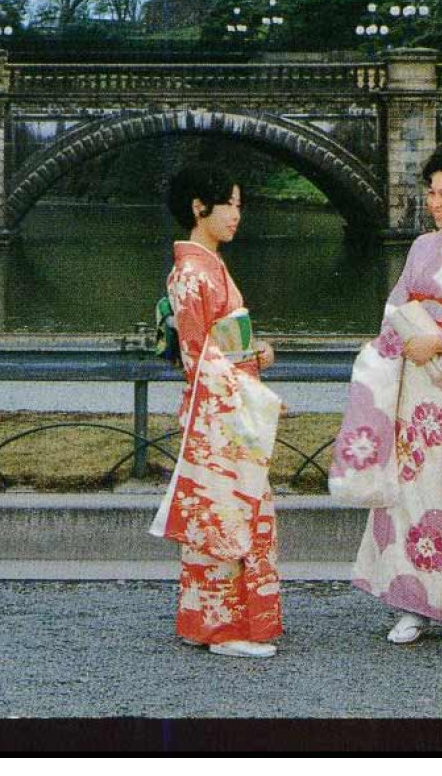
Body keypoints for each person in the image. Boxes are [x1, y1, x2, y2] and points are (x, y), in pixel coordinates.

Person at [329, 144, 442, 646]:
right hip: (415, 392)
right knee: (411, 495)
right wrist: (403, 343)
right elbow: (396, 308)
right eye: (431, 192)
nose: (435, 203)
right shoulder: (421, 249)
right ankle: (410, 601)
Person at [149, 163, 284, 658]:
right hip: (220, 411)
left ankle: (207, 622)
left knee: (225, 518)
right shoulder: (192, 272)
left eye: (239, 205)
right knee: (228, 519)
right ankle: (226, 630)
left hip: (224, 404)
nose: (236, 215)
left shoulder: (206, 265)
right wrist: (253, 370)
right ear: (198, 208)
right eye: (228, 204)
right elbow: (199, 358)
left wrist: (254, 355)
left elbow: (219, 347)